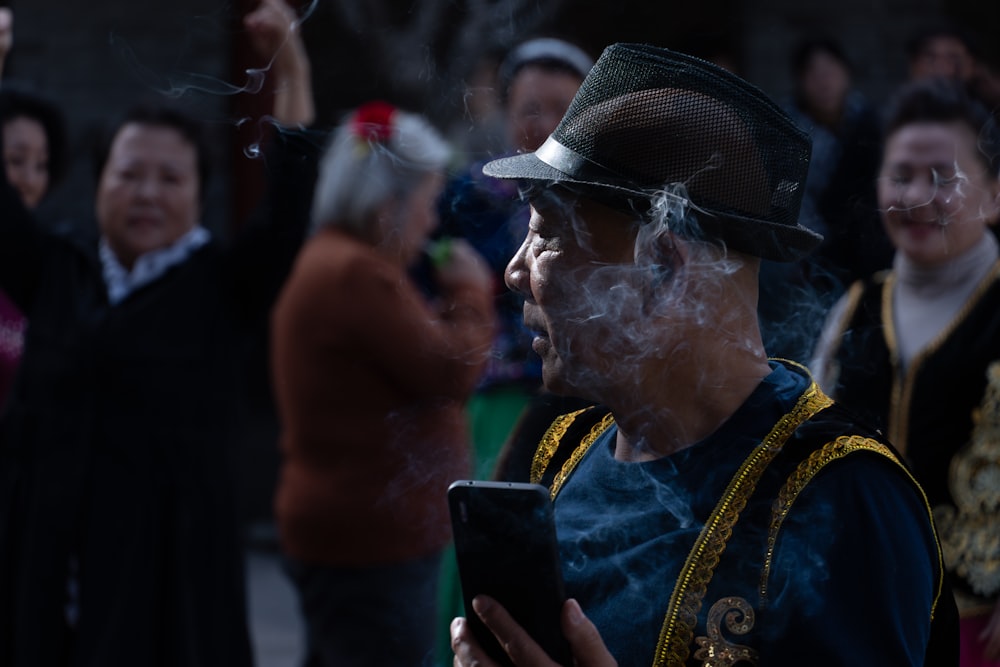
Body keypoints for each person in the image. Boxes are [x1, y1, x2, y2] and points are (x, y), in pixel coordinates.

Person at [449, 42, 958, 666]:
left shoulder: (842, 497)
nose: (514, 273)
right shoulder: (565, 448)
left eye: (548, 237)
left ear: (663, 266)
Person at [0, 0, 317, 663]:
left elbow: (287, 207)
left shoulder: (223, 286)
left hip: (170, 591)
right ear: (97, 186)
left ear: (199, 195)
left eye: (169, 178)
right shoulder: (58, 269)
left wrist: (290, 68)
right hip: (47, 576)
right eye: (129, 174)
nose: (146, 192)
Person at [270, 100, 494, 666]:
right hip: (370, 544)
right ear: (389, 203)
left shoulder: (338, 263)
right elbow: (450, 370)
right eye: (425, 201)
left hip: (351, 535)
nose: (432, 222)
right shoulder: (355, 274)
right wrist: (471, 293)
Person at [810, 77, 1000, 666]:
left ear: (994, 194)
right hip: (858, 613)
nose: (917, 196)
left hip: (978, 626)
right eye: (901, 175)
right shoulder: (854, 307)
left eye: (944, 177)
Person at [760, 37, 889, 361]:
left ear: (847, 74)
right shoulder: (785, 131)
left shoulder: (871, 122)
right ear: (800, 81)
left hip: (865, 254)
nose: (824, 82)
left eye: (831, 71)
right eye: (814, 74)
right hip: (809, 259)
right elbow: (785, 201)